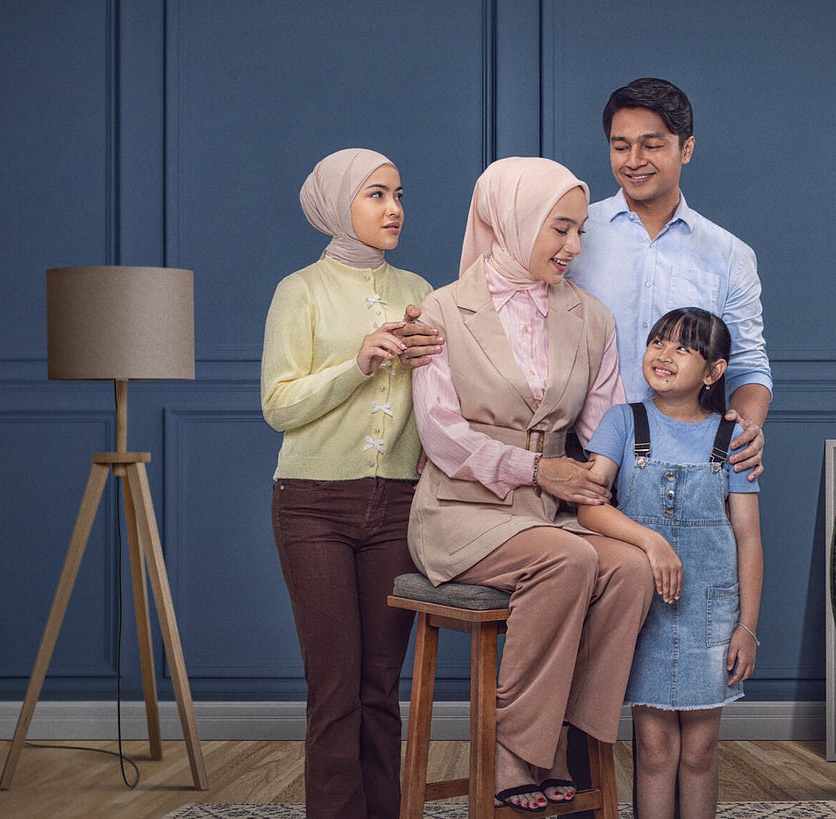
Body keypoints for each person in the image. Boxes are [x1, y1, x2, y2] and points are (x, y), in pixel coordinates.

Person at [408, 156, 651, 813]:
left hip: (548, 513)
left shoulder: (591, 318)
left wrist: (598, 473)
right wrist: (539, 469)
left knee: (628, 568)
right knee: (566, 555)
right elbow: (441, 435)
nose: (573, 247)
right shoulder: (442, 309)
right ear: (512, 221)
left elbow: (607, 428)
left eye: (580, 234)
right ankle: (513, 745)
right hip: (462, 510)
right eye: (560, 230)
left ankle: (571, 735)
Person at [261, 147, 445, 818]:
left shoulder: (420, 290)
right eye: (375, 194)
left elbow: (437, 405)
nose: (393, 208)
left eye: (398, 193)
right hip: (312, 503)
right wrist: (359, 360)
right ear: (339, 204)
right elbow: (278, 404)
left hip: (397, 504)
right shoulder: (299, 291)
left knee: (379, 684)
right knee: (335, 686)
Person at [575, 306, 763, 819]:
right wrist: (651, 542)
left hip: (711, 616)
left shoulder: (733, 438)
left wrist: (747, 626)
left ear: (713, 373)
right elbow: (589, 506)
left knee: (700, 752)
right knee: (655, 750)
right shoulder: (623, 421)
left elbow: (748, 538)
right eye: (659, 341)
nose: (664, 353)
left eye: (683, 348)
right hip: (645, 612)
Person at [566, 77, 770, 480]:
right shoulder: (575, 233)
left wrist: (743, 431)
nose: (633, 160)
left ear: (687, 148)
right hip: (580, 453)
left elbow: (747, 365)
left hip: (689, 461)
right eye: (620, 146)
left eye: (652, 145)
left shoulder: (730, 255)